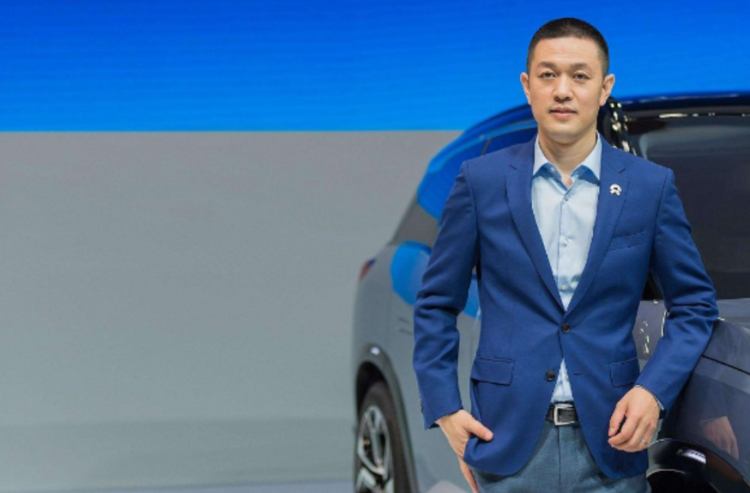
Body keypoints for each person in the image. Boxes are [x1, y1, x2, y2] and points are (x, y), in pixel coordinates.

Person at [412, 17, 719, 493]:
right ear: (527, 85)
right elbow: (435, 303)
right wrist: (445, 409)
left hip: (612, 444)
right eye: (548, 74)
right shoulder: (481, 181)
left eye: (579, 76)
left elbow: (694, 305)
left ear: (604, 87)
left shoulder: (648, 187)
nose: (562, 90)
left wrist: (653, 391)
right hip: (508, 444)